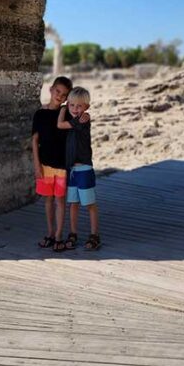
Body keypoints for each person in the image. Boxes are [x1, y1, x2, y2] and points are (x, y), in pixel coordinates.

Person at [58, 86, 101, 251]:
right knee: (73, 203)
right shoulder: (74, 121)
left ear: (86, 108)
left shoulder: (82, 121)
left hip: (83, 169)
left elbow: (60, 125)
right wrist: (65, 107)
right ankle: (73, 233)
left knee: (89, 204)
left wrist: (63, 108)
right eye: (72, 105)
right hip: (71, 170)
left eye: (79, 106)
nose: (75, 109)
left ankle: (94, 234)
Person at [31, 76, 72, 252]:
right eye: (58, 91)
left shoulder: (66, 114)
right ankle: (49, 232)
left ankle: (59, 236)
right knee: (48, 199)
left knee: (60, 201)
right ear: (51, 89)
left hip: (62, 165)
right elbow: (34, 140)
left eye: (64, 95)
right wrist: (36, 165)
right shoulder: (40, 114)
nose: (60, 96)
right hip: (45, 164)